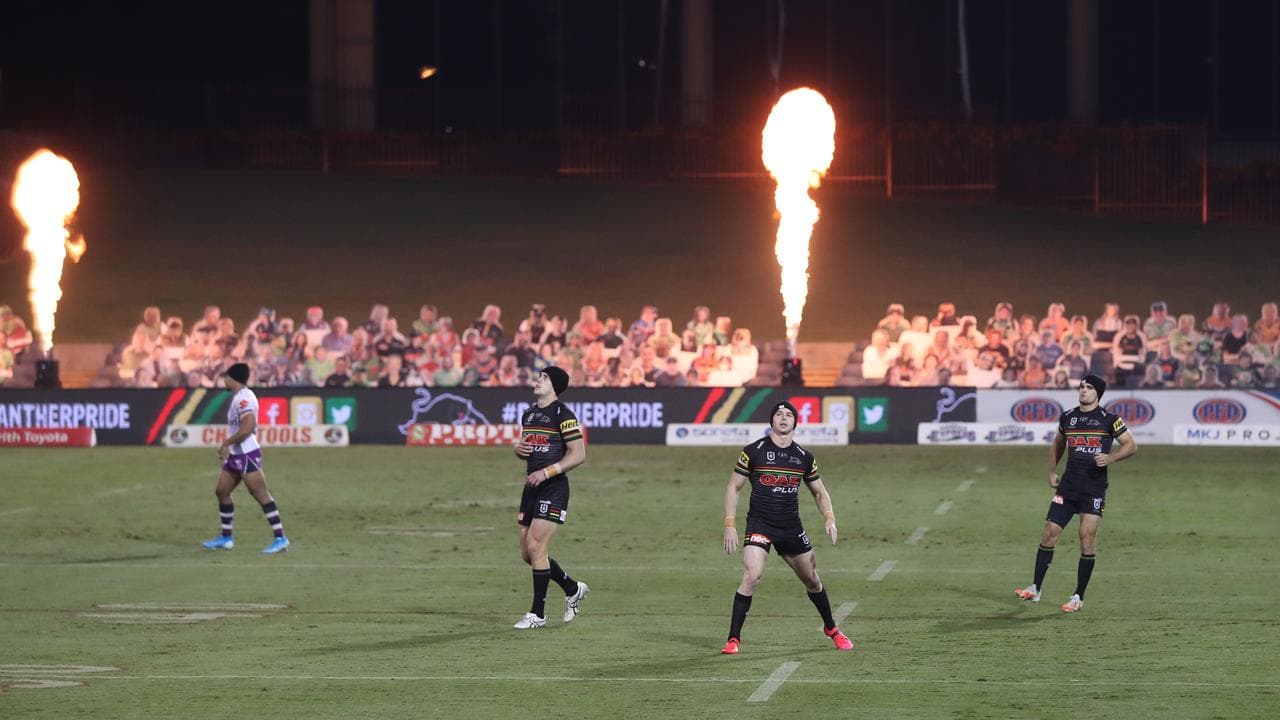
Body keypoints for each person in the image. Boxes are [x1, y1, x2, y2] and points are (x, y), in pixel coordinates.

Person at [720, 402, 853, 655]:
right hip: (760, 523)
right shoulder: (753, 451)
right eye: (779, 414)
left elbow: (819, 491)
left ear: (795, 423)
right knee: (752, 575)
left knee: (812, 580)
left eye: (789, 414)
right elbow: (733, 487)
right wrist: (730, 524)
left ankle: (831, 629)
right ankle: (733, 639)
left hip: (790, 527)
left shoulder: (804, 457)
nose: (783, 418)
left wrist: (829, 516)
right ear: (772, 421)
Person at [1015, 375, 1137, 612]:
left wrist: (1111, 458)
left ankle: (1078, 597)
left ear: (1098, 393)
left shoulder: (1110, 420)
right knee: (1049, 533)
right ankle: (1035, 589)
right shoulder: (1068, 417)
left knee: (1086, 538)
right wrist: (1051, 471)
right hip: (1068, 486)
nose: (1083, 391)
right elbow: (1058, 443)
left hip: (1093, 489)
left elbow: (1131, 445)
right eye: (1081, 387)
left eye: (1089, 387)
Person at [510, 366, 589, 629]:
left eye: (543, 377)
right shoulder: (529, 414)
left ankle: (538, 614)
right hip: (531, 487)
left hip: (553, 487)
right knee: (527, 553)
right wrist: (518, 450)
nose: (537, 380)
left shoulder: (563, 415)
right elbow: (529, 449)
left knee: (536, 545)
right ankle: (572, 587)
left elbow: (578, 454)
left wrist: (546, 472)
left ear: (554, 385)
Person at [201, 363, 290, 554]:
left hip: (246, 453)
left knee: (260, 494)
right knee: (222, 491)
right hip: (236, 454)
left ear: (233, 379)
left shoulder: (244, 399)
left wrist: (227, 442)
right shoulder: (239, 398)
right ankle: (226, 538)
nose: (224, 380)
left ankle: (280, 538)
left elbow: (248, 426)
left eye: (226, 377)